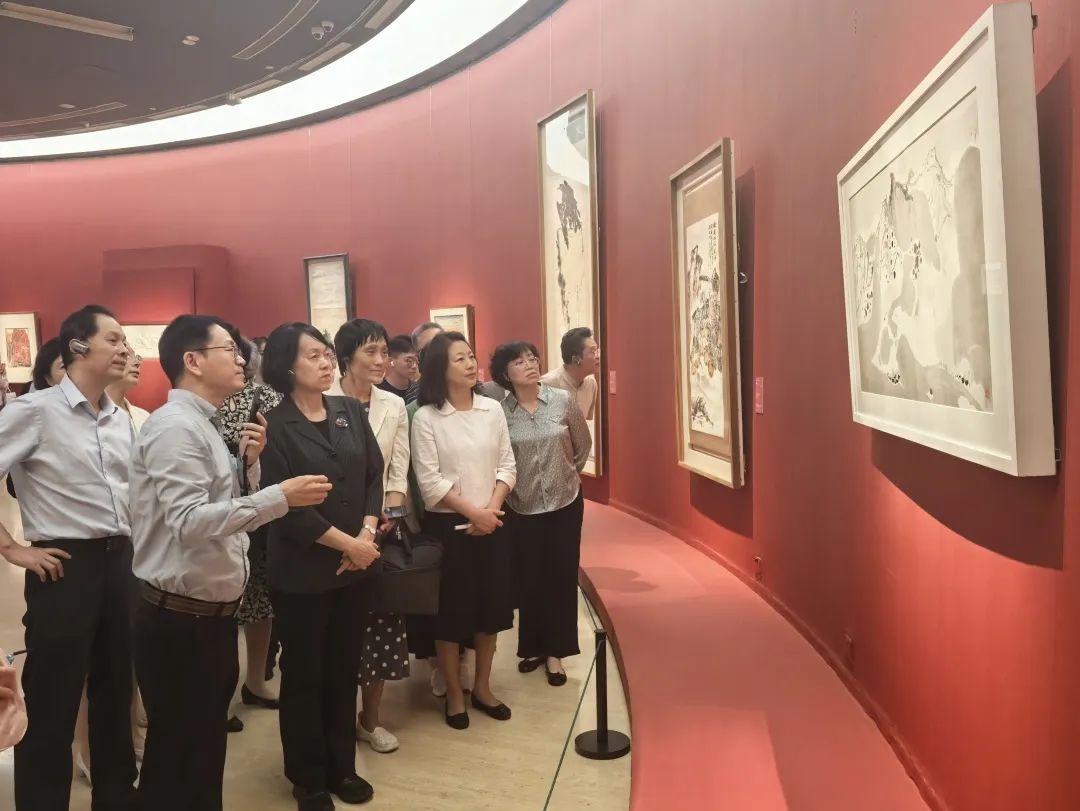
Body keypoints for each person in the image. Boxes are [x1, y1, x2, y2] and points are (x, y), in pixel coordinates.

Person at [129, 315, 331, 811]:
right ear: (193, 361)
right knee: (177, 755)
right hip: (179, 619)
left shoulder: (205, 423)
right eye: (230, 350)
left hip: (207, 616)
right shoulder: (175, 428)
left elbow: (221, 510)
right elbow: (190, 521)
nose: (243, 360)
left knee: (199, 752)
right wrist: (280, 496)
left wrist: (251, 466)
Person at [0, 304, 137, 811]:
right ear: (78, 346)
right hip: (64, 566)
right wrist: (13, 548)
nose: (126, 350)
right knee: (53, 698)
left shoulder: (120, 418)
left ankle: (116, 798)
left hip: (121, 563)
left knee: (116, 690)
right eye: (114, 340)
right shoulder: (34, 411)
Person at [260, 322, 384, 810]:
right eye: (312, 355)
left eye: (327, 353)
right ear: (287, 365)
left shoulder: (348, 410)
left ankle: (342, 767)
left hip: (356, 567)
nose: (326, 362)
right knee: (305, 675)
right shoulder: (274, 424)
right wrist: (347, 545)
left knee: (343, 669)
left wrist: (366, 535)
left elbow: (373, 475)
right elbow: (284, 506)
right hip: (304, 570)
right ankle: (308, 777)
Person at [411, 331, 516, 730]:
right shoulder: (427, 417)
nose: (471, 364)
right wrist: (474, 512)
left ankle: (483, 688)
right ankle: (455, 693)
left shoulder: (492, 409)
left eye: (471, 356)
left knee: (490, 611)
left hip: (493, 521)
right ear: (440, 368)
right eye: (460, 359)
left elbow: (507, 465)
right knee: (450, 616)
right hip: (449, 527)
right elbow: (430, 482)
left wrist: (490, 511)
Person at [491, 342, 591, 686]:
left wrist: (566, 474)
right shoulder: (500, 413)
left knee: (561, 576)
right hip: (522, 506)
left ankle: (556, 653)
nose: (530, 364)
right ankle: (533, 647)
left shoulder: (562, 401)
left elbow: (582, 444)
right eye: (519, 361)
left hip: (565, 502)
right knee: (529, 578)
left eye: (532, 358)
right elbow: (499, 460)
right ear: (505, 373)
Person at [73, 349, 151, 783]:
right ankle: (85, 746)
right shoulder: (68, 416)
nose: (131, 359)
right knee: (91, 662)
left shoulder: (138, 417)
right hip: (87, 553)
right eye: (119, 347)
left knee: (128, 654)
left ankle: (130, 733)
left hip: (137, 548)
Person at [336, 319, 411, 754]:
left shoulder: (393, 405)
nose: (382, 360)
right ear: (347, 356)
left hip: (379, 530)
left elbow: (399, 469)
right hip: (332, 530)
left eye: (384, 351)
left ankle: (370, 719)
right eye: (371, 352)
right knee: (336, 629)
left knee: (378, 624)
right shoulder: (323, 398)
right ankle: (336, 719)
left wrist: (389, 518)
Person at [216, 330, 285, 724]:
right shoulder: (205, 406)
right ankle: (222, 696)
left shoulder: (269, 398)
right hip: (223, 514)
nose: (241, 362)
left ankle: (256, 681)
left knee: (261, 604)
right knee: (227, 609)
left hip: (263, 505)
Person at [540, 327, 600, 419]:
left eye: (597, 350)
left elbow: (585, 421)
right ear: (576, 359)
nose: (598, 356)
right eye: (593, 351)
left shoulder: (591, 384)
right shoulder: (546, 384)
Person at [376, 335, 419, 403]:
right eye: (409, 361)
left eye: (416, 360)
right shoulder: (377, 391)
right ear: (390, 361)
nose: (414, 366)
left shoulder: (417, 390)